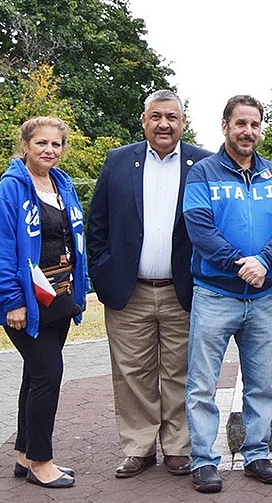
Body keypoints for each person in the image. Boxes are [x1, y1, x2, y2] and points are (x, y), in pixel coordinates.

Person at [87, 90, 212, 479]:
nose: (164, 124)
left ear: (183, 122)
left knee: (181, 371)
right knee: (132, 372)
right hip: (130, 290)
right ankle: (138, 446)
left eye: (171, 117)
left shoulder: (204, 164)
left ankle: (178, 446)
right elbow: (98, 226)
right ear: (143, 121)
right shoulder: (119, 161)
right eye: (156, 116)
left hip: (183, 290)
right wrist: (103, 272)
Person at [182, 95, 272, 494]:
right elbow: (199, 228)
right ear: (225, 126)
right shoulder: (202, 174)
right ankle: (203, 460)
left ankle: (257, 453)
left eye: (254, 124)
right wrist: (239, 264)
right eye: (240, 123)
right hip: (214, 295)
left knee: (260, 383)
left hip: (262, 299)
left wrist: (264, 261)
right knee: (202, 383)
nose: (248, 131)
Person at [0, 117, 87, 489]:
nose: (49, 150)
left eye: (56, 145)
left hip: (57, 298)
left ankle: (25, 455)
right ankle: (42, 461)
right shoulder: (9, 190)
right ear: (25, 145)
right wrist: (12, 301)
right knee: (48, 375)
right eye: (41, 143)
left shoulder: (61, 185)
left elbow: (72, 240)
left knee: (34, 375)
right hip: (26, 301)